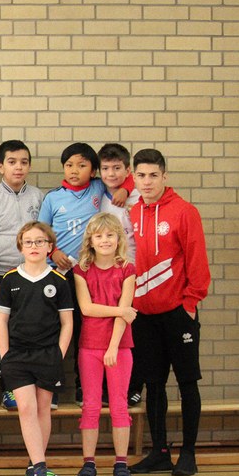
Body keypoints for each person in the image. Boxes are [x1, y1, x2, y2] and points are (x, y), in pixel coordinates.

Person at [128, 149, 211, 476]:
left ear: (165, 176)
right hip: (143, 316)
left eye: (153, 175)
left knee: (187, 382)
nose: (147, 182)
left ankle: (188, 453)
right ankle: (159, 452)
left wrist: (189, 303)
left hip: (178, 313)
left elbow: (197, 261)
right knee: (153, 384)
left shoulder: (185, 211)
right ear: (134, 178)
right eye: (141, 175)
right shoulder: (131, 213)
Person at [39, 143, 133, 407]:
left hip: (89, 272)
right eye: (69, 165)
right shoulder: (52, 198)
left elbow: (126, 178)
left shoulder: (97, 188)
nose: (74, 170)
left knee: (87, 329)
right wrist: (53, 251)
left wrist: (126, 189)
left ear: (93, 171)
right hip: (59, 273)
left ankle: (86, 388)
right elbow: (41, 232)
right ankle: (51, 388)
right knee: (54, 328)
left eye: (81, 165)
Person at [0, 221, 73, 476]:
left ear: (49, 247)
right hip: (17, 355)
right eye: (28, 242)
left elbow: (67, 323)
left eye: (40, 241)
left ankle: (33, 468)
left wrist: (58, 354)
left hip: (48, 355)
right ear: (20, 247)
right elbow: (1, 320)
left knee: (42, 409)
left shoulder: (59, 282)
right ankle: (41, 468)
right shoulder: (10, 280)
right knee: (26, 408)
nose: (34, 246)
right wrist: (5, 355)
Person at [0, 140, 45, 411]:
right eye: (12, 162)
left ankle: (39, 387)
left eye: (24, 162)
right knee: (6, 333)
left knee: (34, 331)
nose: (18, 167)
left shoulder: (38, 197)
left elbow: (46, 236)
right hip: (3, 276)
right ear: (0, 166)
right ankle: (11, 389)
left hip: (34, 275)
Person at [72, 212, 138, 476]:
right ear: (91, 240)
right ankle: (88, 466)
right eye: (99, 236)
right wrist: (120, 310)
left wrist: (112, 346)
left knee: (119, 406)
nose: (105, 240)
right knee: (90, 405)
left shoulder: (127, 269)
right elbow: (87, 308)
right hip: (89, 346)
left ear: (118, 238)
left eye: (110, 235)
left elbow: (126, 314)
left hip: (119, 348)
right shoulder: (81, 271)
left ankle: (121, 465)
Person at [98, 142, 144, 408]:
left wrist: (127, 187)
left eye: (117, 168)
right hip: (108, 275)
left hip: (136, 273)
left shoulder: (138, 195)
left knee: (132, 333)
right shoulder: (99, 193)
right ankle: (108, 389)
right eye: (106, 168)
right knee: (109, 332)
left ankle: (134, 387)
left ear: (128, 171)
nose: (111, 174)